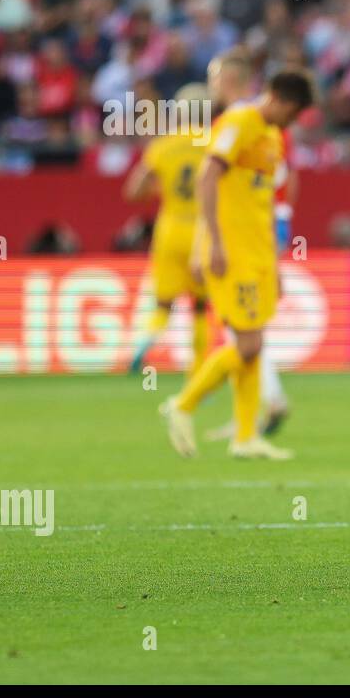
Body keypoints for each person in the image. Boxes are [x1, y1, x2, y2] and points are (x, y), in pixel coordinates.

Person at [159, 70, 314, 460]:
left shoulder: (272, 136)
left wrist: (275, 265)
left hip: (260, 253)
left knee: (252, 344)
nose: (291, 124)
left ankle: (244, 437)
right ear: (277, 98)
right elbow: (207, 179)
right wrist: (209, 242)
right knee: (249, 343)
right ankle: (183, 404)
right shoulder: (240, 121)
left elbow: (262, 202)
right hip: (232, 252)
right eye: (292, 113)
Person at [123, 83, 210, 376]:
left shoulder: (162, 146)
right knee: (200, 306)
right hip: (203, 232)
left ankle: (143, 345)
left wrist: (161, 188)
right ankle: (198, 370)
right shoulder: (215, 143)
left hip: (170, 229)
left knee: (163, 304)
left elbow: (133, 190)